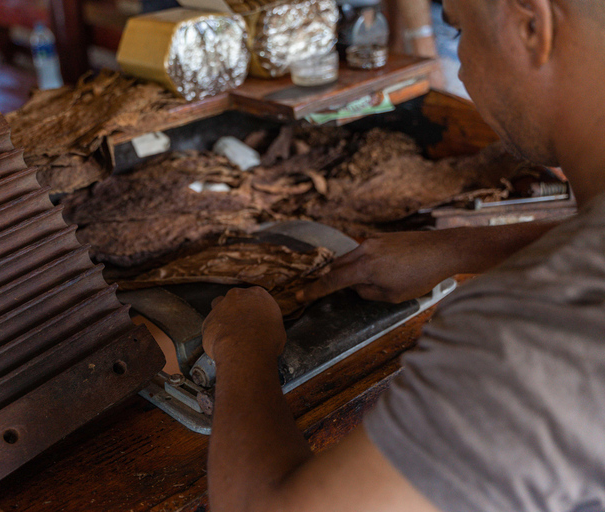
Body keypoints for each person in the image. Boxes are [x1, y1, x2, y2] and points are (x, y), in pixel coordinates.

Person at [201, 0, 605, 511]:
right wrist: (458, 248)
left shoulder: (532, 333)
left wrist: (243, 348)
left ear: (531, 25)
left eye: (458, 32)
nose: (461, 67)